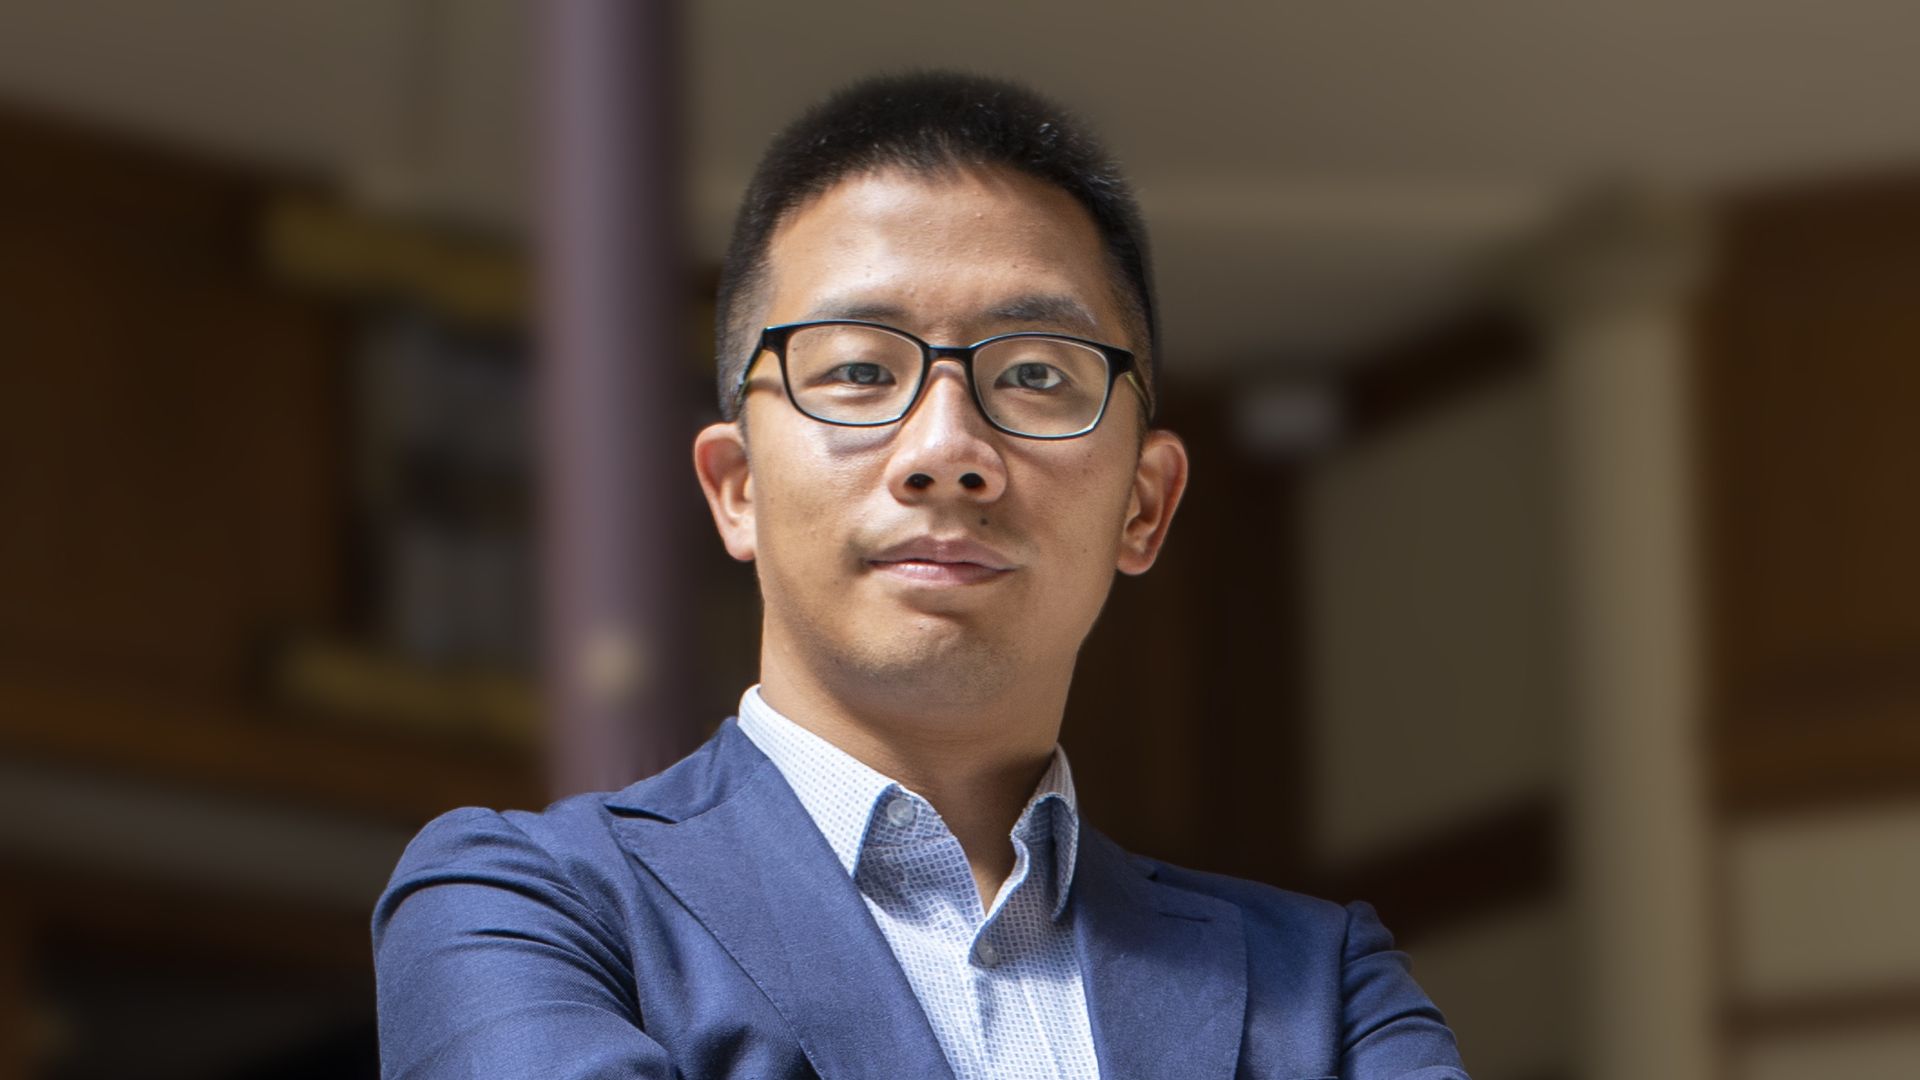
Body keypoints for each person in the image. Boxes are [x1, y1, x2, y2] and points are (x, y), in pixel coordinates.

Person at [373, 72, 1468, 1079]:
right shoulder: (524, 910)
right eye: (857, 370)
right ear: (736, 486)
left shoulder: (1320, 988)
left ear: (1145, 503)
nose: (946, 448)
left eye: (1036, 373)